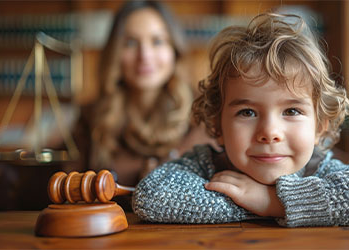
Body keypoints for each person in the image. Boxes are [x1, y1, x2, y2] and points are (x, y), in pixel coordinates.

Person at [132, 13, 349, 227]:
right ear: (218, 127)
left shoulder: (320, 168)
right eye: (248, 112)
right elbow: (150, 196)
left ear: (319, 127)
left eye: (291, 111)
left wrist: (271, 202)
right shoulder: (207, 164)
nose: (270, 132)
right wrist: (247, 200)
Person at [73, 0, 216, 188]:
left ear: (174, 50)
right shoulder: (91, 116)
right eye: (131, 43)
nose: (145, 55)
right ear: (115, 52)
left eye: (157, 41)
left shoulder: (206, 112)